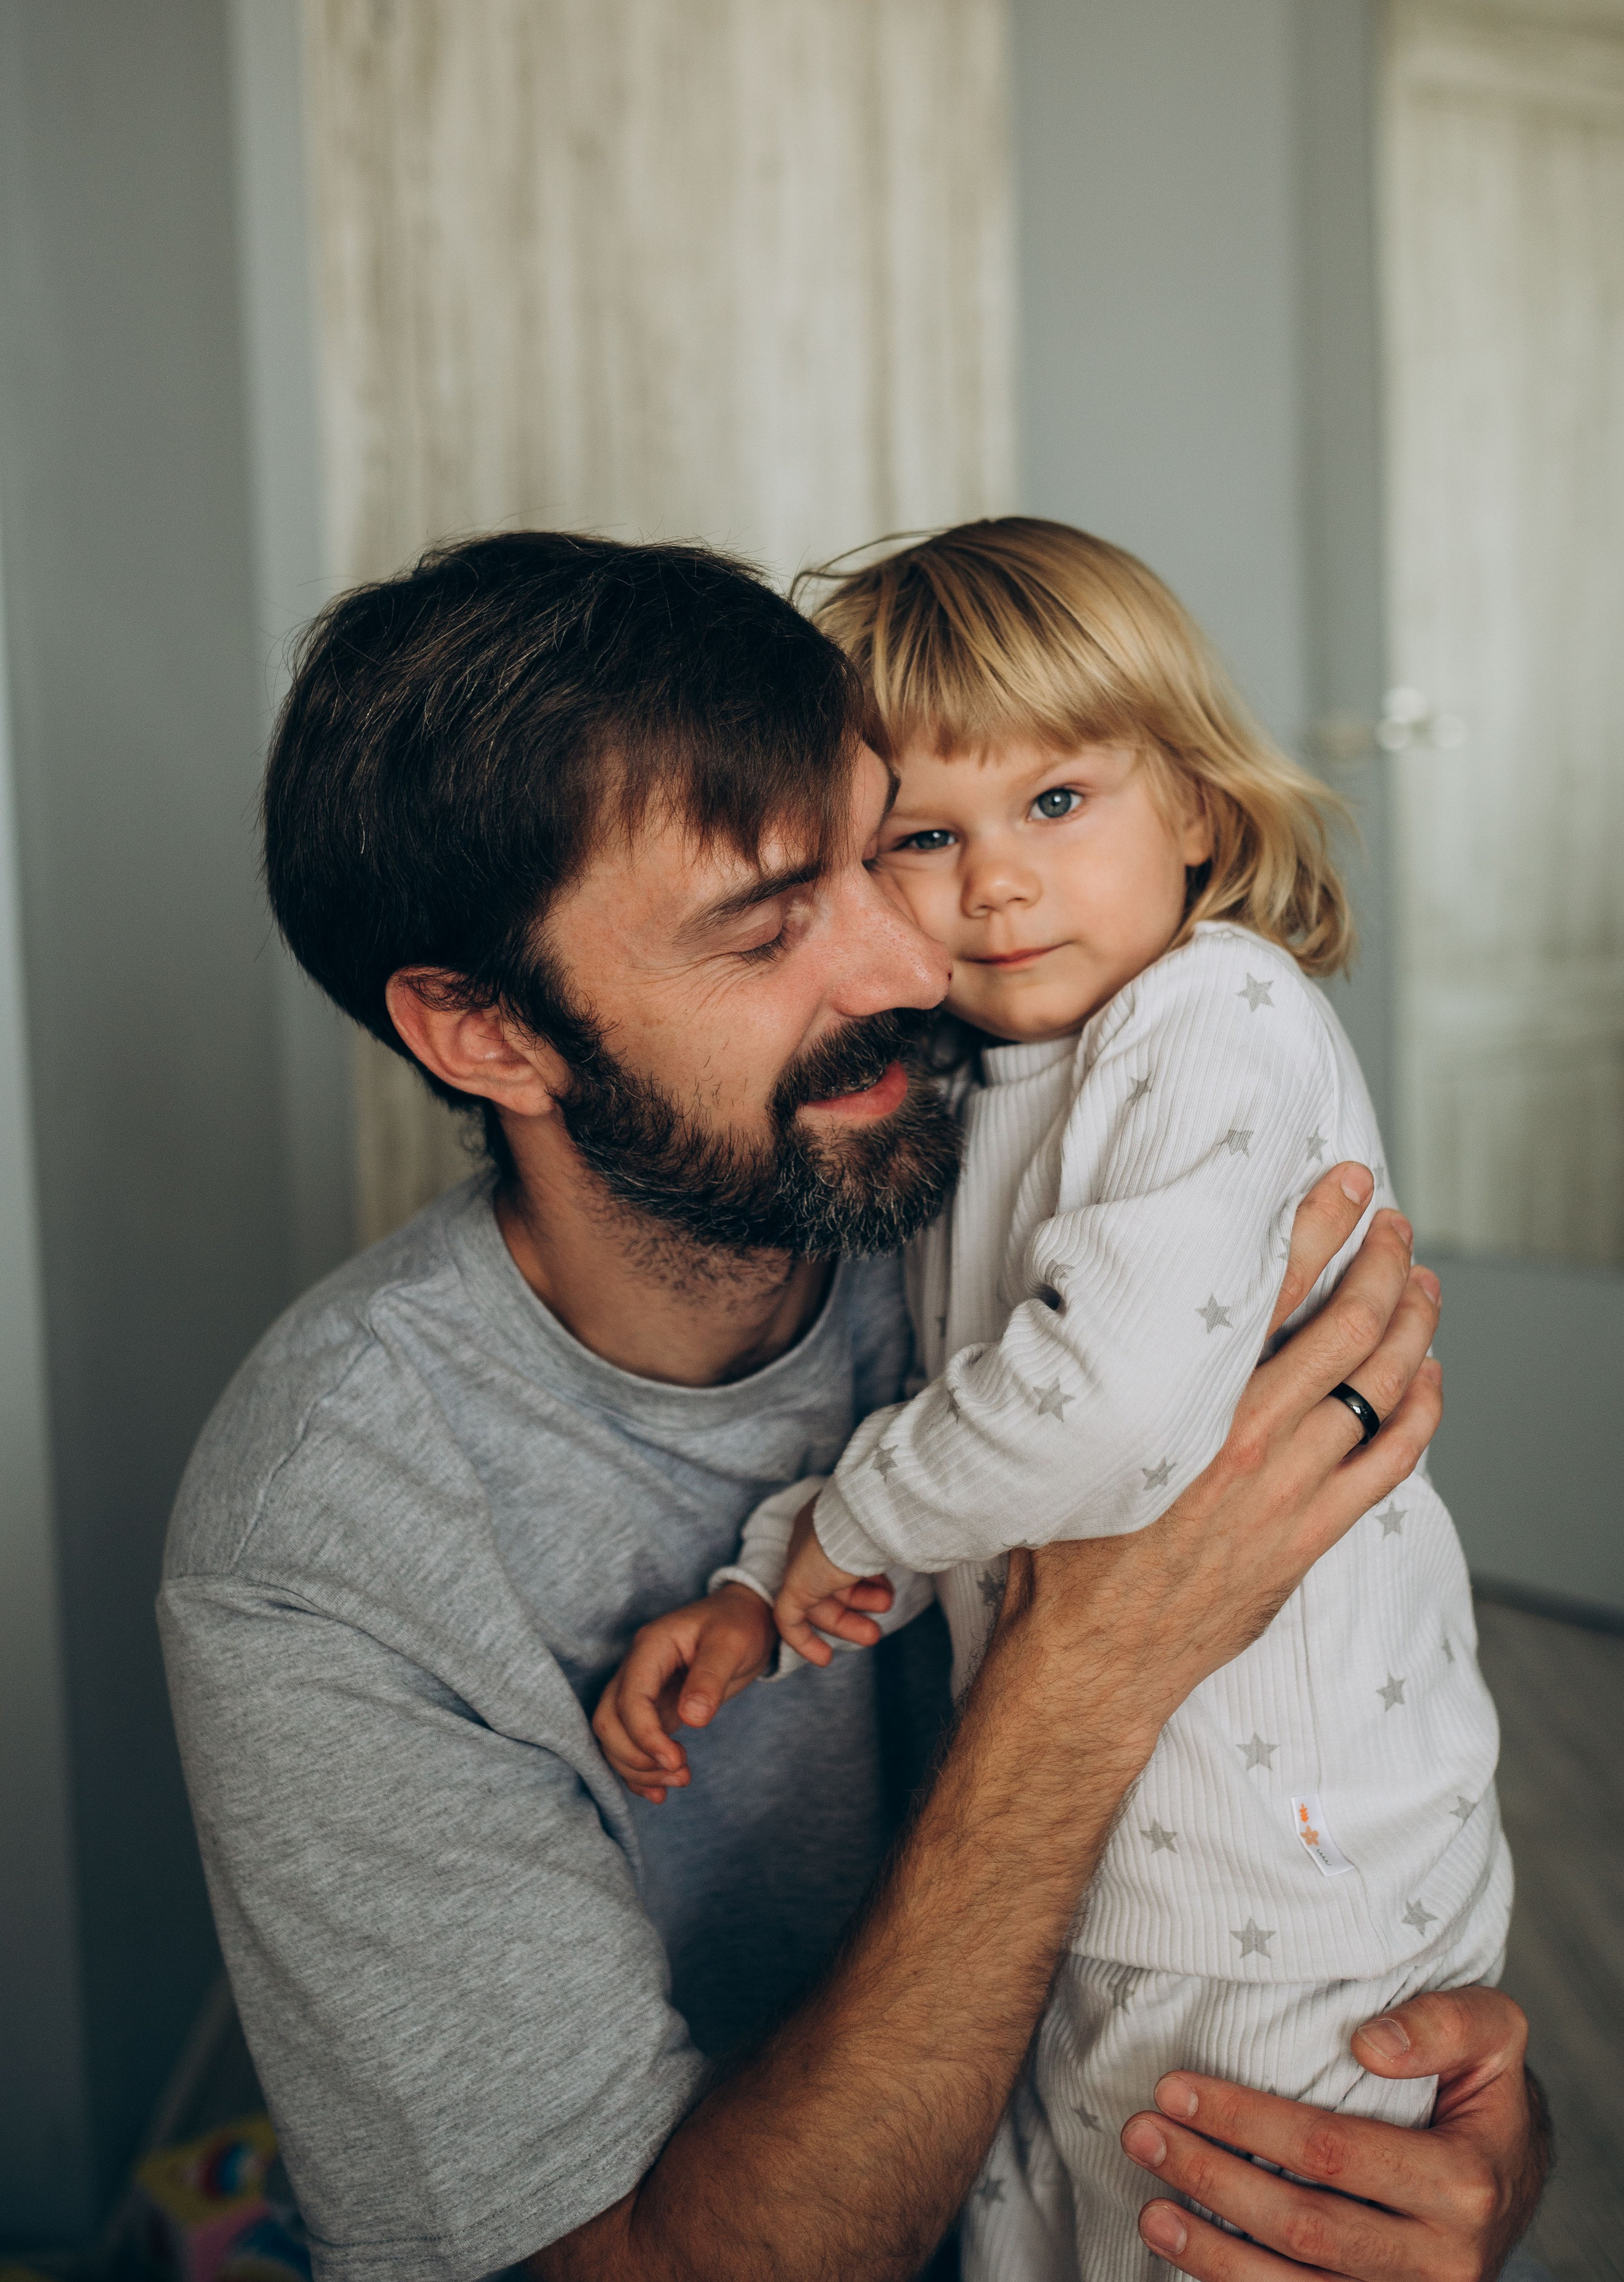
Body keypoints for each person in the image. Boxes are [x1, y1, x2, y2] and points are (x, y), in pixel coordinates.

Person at [159, 531, 1551, 2282]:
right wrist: (1078, 1682)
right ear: (488, 1034)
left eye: (869, 850)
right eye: (770, 925)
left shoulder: (1036, 1149)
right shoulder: (326, 1540)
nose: (913, 959)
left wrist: (1451, 2141)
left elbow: (1346, 1738)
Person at [595, 520, 1514, 2282]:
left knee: (1237, 2241)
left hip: (1288, 1894)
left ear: (1198, 808)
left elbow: (1106, 1412)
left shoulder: (1213, 1016)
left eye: (1059, 806)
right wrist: (774, 1586)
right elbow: (984, 1435)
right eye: (926, 838)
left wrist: (838, 1519)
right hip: (1098, 1871)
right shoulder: (980, 1076)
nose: (996, 882)